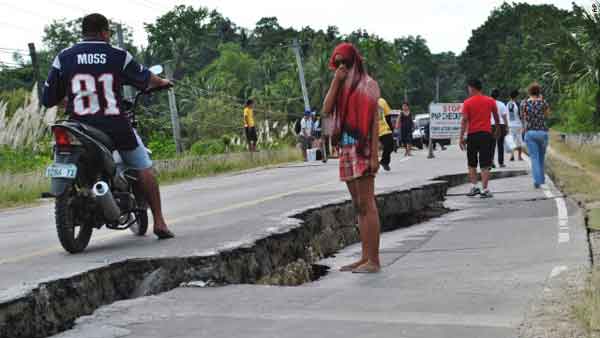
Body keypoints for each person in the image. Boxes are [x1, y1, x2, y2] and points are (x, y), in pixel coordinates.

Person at [41, 13, 174, 239]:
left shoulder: (64, 57)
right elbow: (146, 78)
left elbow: (48, 98)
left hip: (77, 125)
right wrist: (163, 82)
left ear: (83, 32)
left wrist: (69, 100)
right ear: (104, 32)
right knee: (143, 165)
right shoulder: (117, 55)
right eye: (109, 33)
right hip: (114, 123)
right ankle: (159, 221)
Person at [323, 43, 381, 273]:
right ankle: (364, 257)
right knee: (358, 206)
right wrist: (336, 81)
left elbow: (375, 122)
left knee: (368, 204)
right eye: (337, 64)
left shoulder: (368, 84)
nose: (341, 67)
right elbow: (326, 110)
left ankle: (373, 260)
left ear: (355, 62)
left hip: (363, 148)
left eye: (345, 63)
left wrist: (375, 154)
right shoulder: (340, 87)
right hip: (346, 148)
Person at [459, 79, 500, 199]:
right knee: (485, 163)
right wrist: (497, 129)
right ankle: (485, 189)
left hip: (472, 135)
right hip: (486, 135)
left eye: (468, 88)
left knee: (472, 162)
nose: (468, 90)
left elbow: (464, 121)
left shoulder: (467, 102)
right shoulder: (490, 100)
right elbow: (496, 116)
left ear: (472, 88)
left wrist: (461, 137)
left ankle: (474, 186)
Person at [521, 82, 551, 189]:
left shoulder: (524, 103)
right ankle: (542, 179)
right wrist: (542, 101)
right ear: (539, 92)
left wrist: (523, 131)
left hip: (530, 132)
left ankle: (537, 180)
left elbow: (523, 118)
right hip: (542, 132)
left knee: (534, 157)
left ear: (529, 91)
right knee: (541, 158)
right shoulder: (543, 102)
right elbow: (547, 115)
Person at [490, 89, 509, 168]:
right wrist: (507, 126)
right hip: (501, 125)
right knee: (500, 144)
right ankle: (501, 163)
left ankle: (491, 162)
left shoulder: (488, 104)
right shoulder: (501, 104)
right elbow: (504, 116)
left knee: (492, 145)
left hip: (491, 125)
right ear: (498, 96)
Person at [377, 98, 394, 171]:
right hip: (372, 129)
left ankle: (384, 162)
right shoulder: (366, 101)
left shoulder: (382, 101)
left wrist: (391, 128)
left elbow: (388, 116)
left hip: (384, 128)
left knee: (391, 145)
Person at [507, 90, 524, 161]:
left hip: (510, 124)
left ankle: (512, 155)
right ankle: (519, 157)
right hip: (518, 124)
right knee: (519, 140)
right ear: (516, 96)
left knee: (511, 140)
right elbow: (520, 114)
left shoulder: (508, 104)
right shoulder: (518, 103)